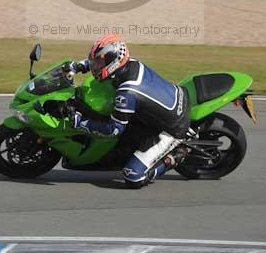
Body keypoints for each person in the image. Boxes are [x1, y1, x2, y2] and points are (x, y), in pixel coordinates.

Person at [64, 33, 191, 188]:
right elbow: (101, 64)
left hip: (173, 127)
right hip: (170, 100)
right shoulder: (128, 63)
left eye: (98, 62)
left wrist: (79, 122)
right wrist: (79, 66)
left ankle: (177, 156)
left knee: (133, 176)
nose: (95, 65)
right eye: (95, 61)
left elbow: (113, 130)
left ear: (113, 63)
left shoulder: (127, 93)